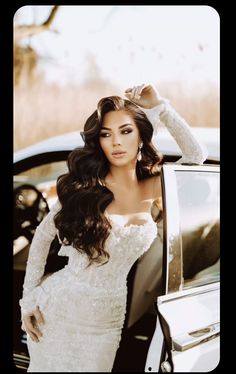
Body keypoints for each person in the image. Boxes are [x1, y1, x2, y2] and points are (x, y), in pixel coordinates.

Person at [19, 83, 208, 372]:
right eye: (106, 134)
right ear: (99, 142)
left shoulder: (155, 187)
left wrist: (161, 107)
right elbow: (42, 238)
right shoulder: (83, 188)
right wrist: (28, 299)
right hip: (58, 311)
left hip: (107, 320)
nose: (116, 142)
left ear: (142, 137)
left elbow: (196, 155)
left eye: (125, 131)